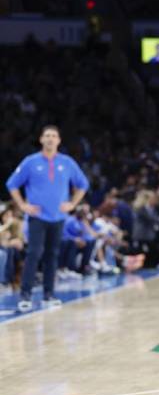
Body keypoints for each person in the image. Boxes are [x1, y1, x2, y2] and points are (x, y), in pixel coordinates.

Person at [5, 125, 89, 312]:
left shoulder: (67, 162)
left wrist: (72, 204)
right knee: (34, 253)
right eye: (47, 136)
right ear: (41, 139)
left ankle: (48, 294)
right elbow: (11, 184)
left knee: (52, 256)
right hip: (37, 216)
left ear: (59, 141)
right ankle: (25, 295)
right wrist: (22, 205)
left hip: (58, 217)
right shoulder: (30, 162)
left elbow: (83, 184)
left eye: (54, 136)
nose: (50, 139)